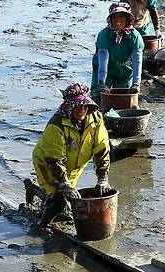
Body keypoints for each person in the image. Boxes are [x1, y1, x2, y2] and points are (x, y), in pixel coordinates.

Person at [31, 83, 111, 225]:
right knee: (57, 198)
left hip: (75, 166)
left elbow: (102, 148)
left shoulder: (96, 119)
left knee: (68, 201)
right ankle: (40, 226)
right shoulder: (56, 126)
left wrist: (102, 178)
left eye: (85, 106)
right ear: (69, 106)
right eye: (78, 106)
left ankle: (37, 192)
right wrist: (65, 184)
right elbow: (54, 159)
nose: (82, 110)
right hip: (48, 163)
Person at [91, 2, 144, 102]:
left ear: (128, 19)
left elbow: (137, 62)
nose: (117, 19)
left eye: (121, 16)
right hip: (103, 70)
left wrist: (136, 83)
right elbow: (103, 60)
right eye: (114, 17)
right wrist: (101, 83)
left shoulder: (135, 36)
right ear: (110, 19)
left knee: (123, 99)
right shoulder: (104, 35)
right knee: (98, 98)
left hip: (124, 71)